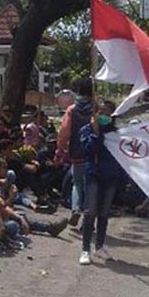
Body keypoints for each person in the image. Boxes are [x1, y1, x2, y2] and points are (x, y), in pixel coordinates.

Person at [79, 100, 126, 265]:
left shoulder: (116, 134)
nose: (103, 115)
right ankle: (85, 249)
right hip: (93, 175)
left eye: (107, 112)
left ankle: (99, 246)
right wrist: (96, 132)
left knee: (104, 213)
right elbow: (88, 150)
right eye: (101, 112)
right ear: (95, 113)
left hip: (110, 176)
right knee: (90, 212)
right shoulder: (86, 131)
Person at [56, 77, 94, 227]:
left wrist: (61, 149)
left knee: (77, 183)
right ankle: (88, 219)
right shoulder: (96, 109)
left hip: (77, 152)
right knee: (92, 185)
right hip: (94, 153)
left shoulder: (72, 110)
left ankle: (76, 208)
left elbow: (64, 132)